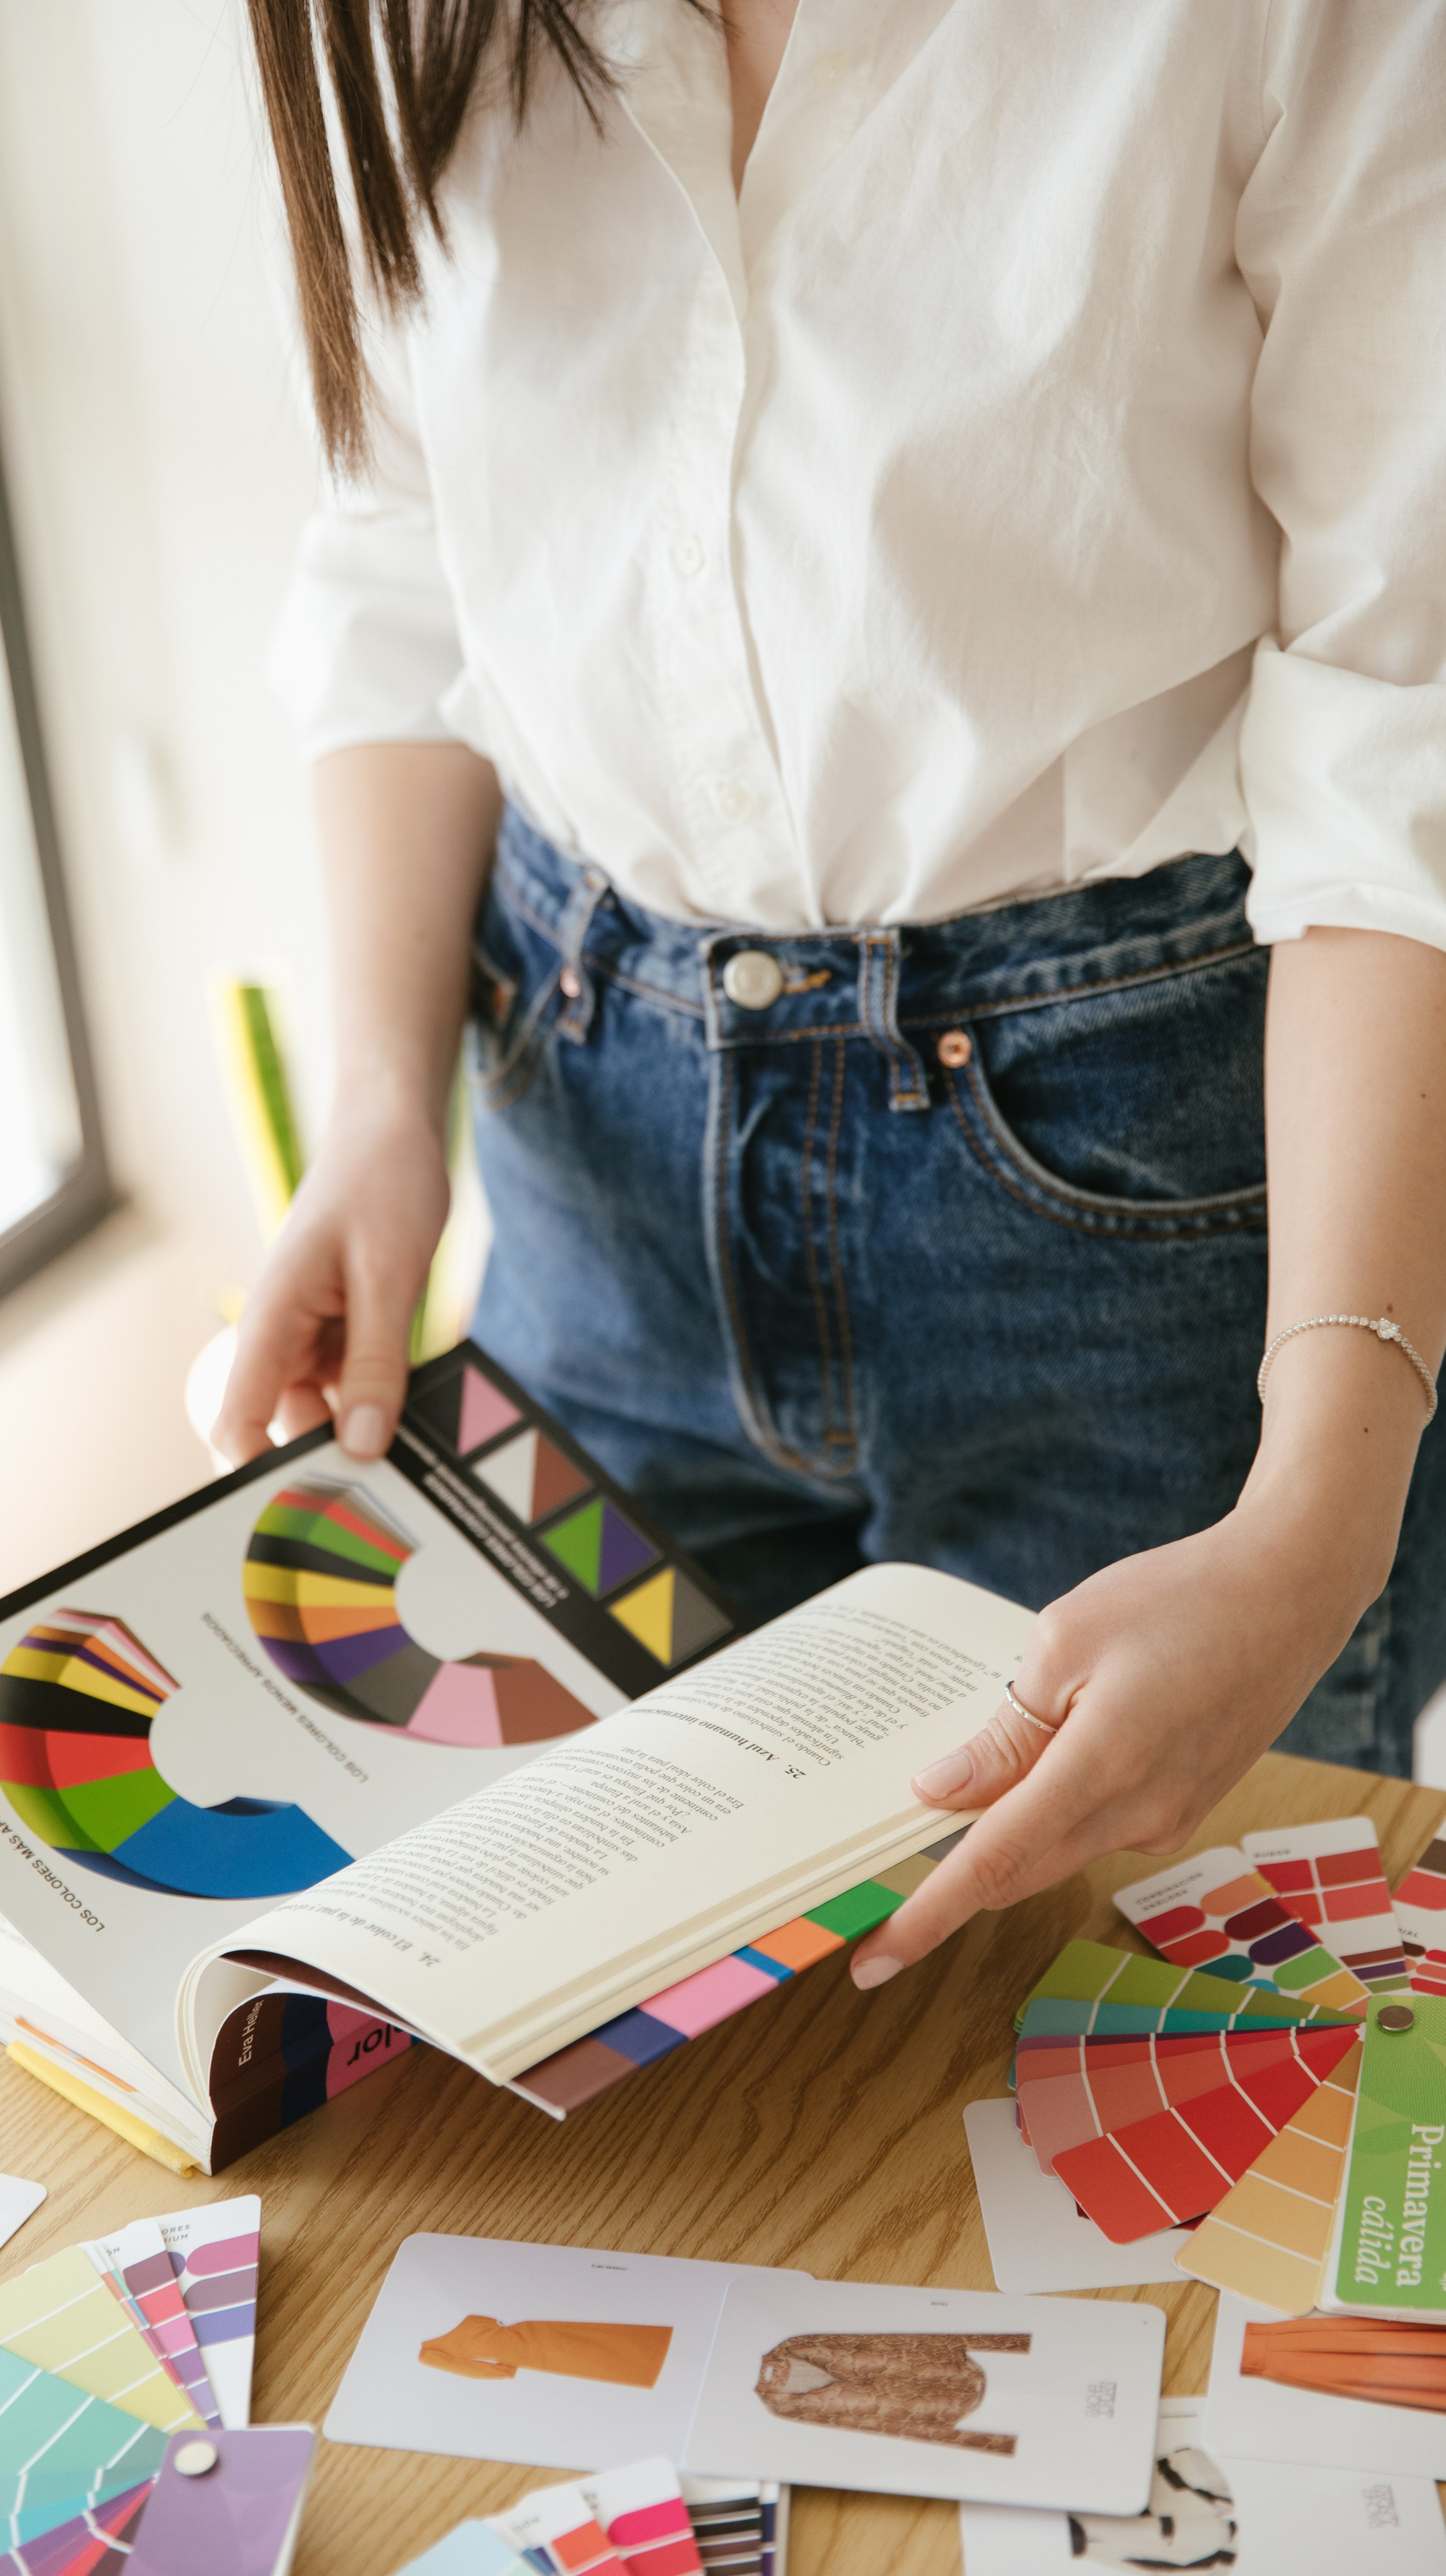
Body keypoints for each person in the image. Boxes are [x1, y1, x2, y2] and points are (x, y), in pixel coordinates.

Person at [217, 2, 1446, 1996]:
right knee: (561, 2052)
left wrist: (1320, 1507)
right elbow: (399, 552)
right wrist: (379, 1113)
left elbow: (1408, 731)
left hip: (1137, 1215)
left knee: (1138, 2090)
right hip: (589, 1180)